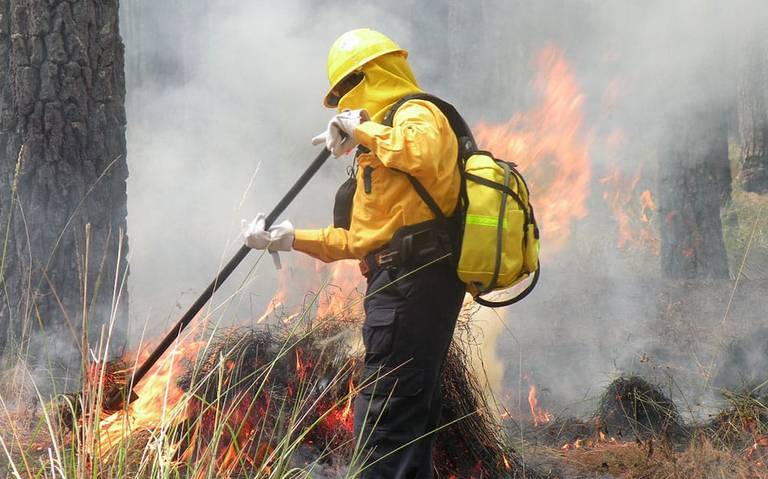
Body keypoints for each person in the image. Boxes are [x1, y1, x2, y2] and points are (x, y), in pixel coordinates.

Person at [242, 28, 466, 479]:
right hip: (399, 285)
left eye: (348, 86)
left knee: (384, 424)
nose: (344, 100)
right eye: (340, 94)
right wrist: (288, 238)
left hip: (412, 286)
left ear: (375, 72)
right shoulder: (377, 147)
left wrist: (360, 127)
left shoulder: (416, 113)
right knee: (403, 422)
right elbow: (359, 241)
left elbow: (421, 152)